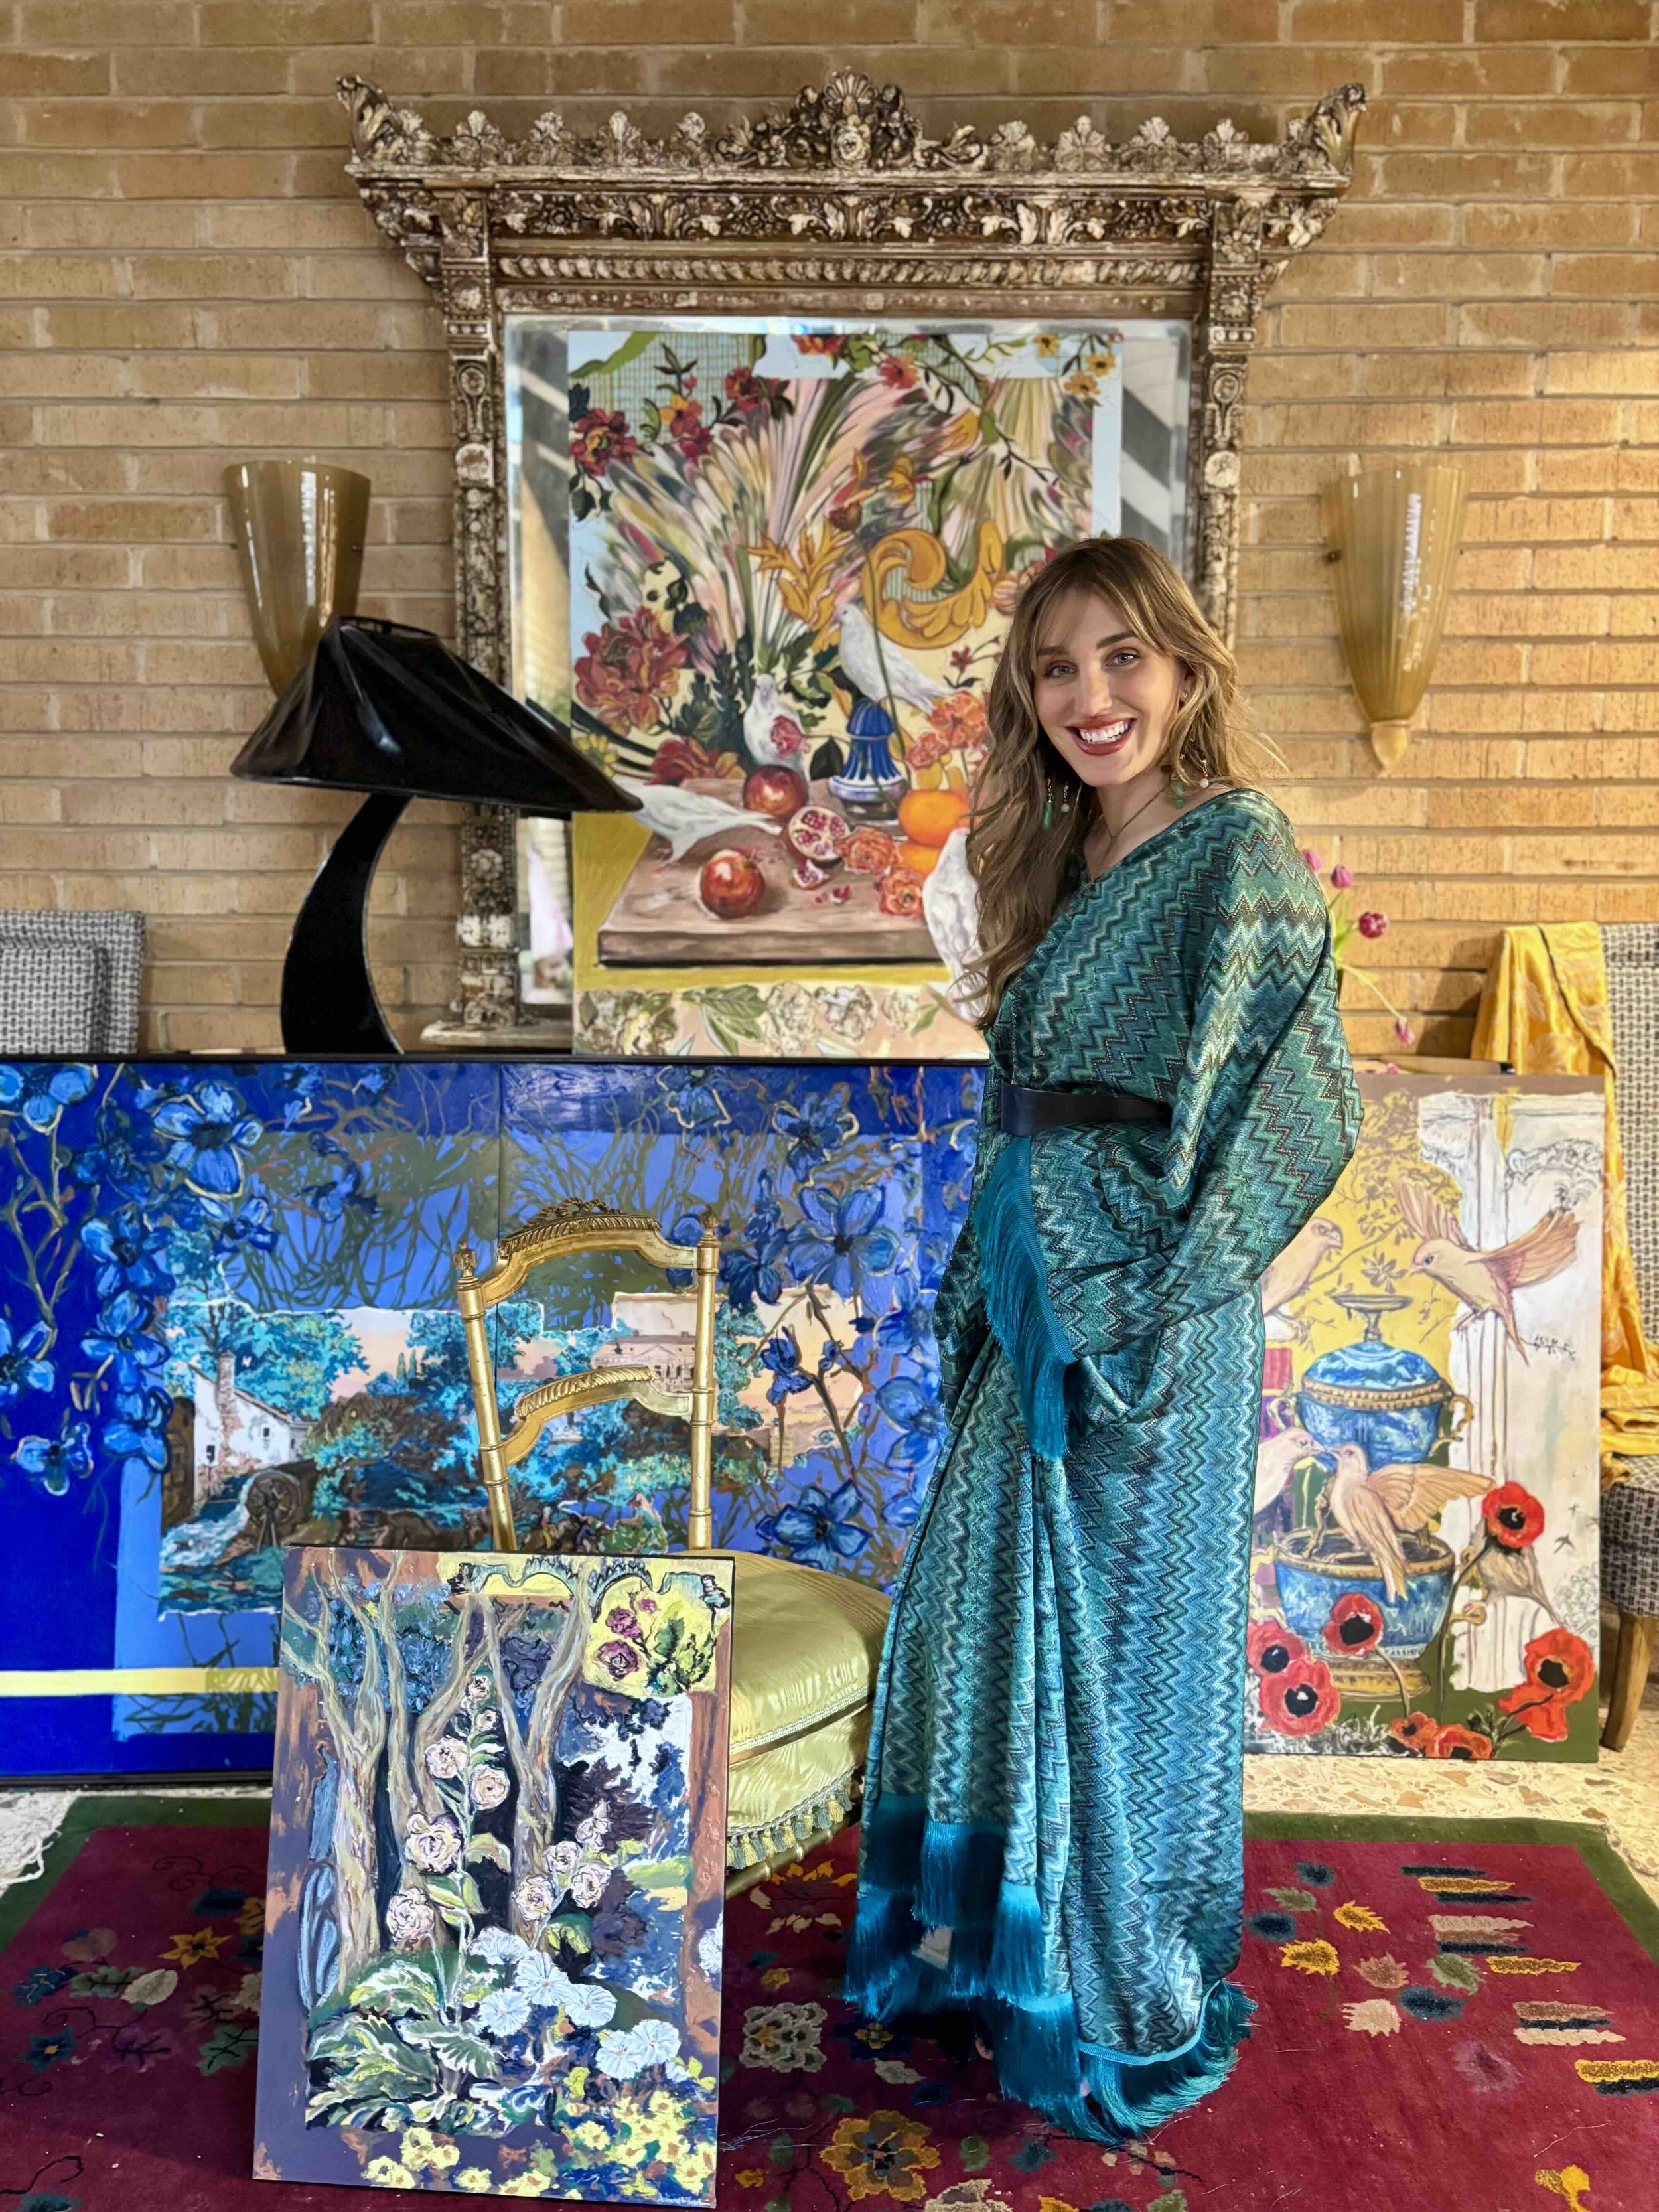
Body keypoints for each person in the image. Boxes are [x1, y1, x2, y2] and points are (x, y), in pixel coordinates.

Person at [841, 536, 1362, 2141]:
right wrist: (1027, 1248)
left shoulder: (1234, 852)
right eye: (1056, 667)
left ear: (1184, 668)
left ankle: (1108, 1987)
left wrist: (1131, 1270)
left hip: (1148, 1312)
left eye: (1121, 655)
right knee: (984, 1614)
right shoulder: (1057, 855)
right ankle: (1000, 1946)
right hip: (1030, 1280)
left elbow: (1296, 1106)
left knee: (1126, 1656)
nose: (1090, 694)